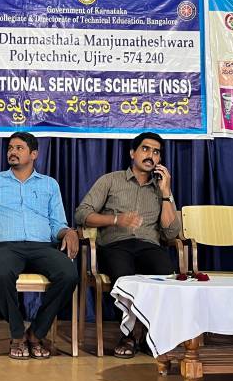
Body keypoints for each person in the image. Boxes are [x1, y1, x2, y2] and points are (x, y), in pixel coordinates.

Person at [0, 131, 79, 359]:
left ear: (34, 154)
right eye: (10, 148)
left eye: (19, 148)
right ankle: (17, 334)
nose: (12, 152)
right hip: (6, 247)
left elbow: (57, 224)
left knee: (69, 274)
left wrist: (68, 232)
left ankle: (36, 333)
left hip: (42, 247)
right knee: (1, 274)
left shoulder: (49, 185)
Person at [74, 131, 181, 357]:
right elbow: (82, 214)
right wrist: (115, 220)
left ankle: (151, 333)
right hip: (116, 245)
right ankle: (129, 335)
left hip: (148, 245)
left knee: (165, 273)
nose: (150, 155)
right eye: (145, 149)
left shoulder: (161, 188)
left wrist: (166, 193)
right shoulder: (111, 180)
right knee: (124, 276)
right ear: (132, 153)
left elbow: (171, 232)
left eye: (156, 152)